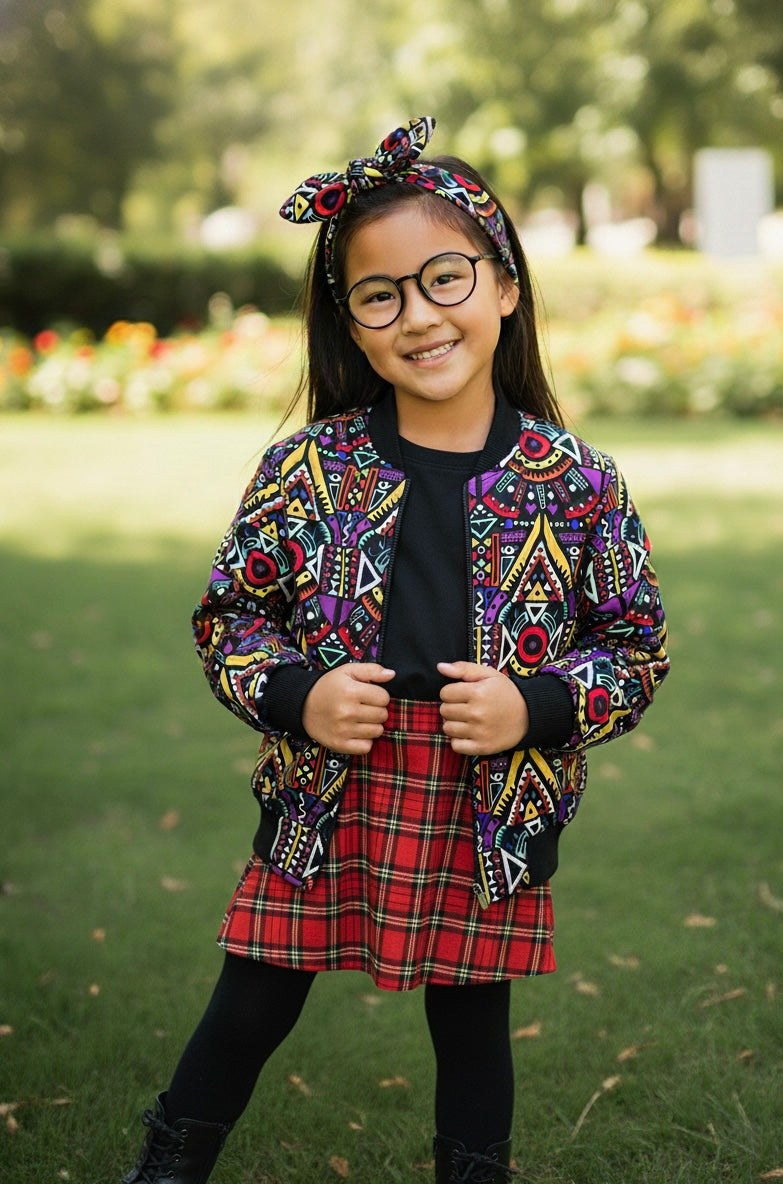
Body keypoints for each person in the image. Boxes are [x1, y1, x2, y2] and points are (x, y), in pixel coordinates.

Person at [120, 116, 669, 1184]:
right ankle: (169, 1163)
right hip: (329, 785)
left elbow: (634, 647)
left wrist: (533, 707)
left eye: (444, 279)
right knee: (254, 993)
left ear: (505, 286)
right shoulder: (305, 471)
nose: (417, 314)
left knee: (471, 1022)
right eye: (380, 295)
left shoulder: (579, 483)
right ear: (352, 324)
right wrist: (298, 694)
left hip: (487, 798)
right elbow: (229, 617)